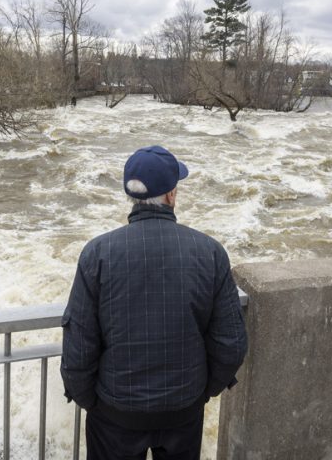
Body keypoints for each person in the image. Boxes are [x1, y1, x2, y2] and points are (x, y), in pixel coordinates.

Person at [61, 145, 248, 460]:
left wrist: (92, 401)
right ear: (171, 195)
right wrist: (201, 392)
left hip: (115, 412)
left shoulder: (97, 253)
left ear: (131, 196)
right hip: (183, 412)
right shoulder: (211, 253)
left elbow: (79, 344)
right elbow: (231, 343)